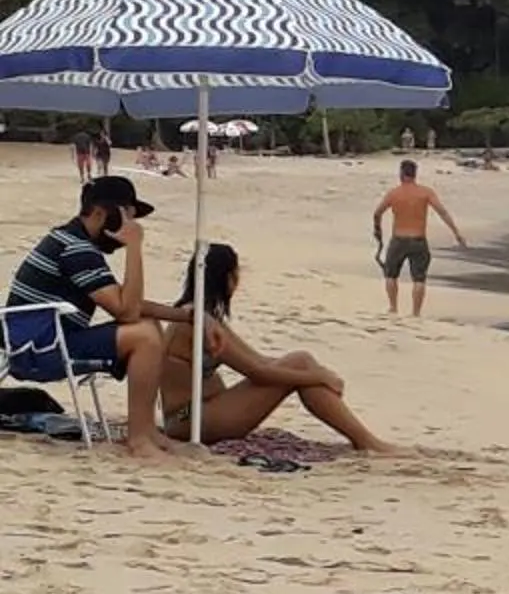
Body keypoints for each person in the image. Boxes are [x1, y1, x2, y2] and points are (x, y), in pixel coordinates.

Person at [160, 244, 394, 454]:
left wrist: (309, 370)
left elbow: (258, 360)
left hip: (198, 414)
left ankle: (364, 439)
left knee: (300, 360)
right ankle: (366, 441)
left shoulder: (204, 317)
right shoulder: (194, 323)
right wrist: (316, 376)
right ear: (228, 277)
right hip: (189, 419)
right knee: (301, 364)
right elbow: (257, 372)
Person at [11, 175, 180, 460]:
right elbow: (126, 310)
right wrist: (135, 246)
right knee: (144, 336)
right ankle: (139, 439)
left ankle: (147, 431)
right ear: (101, 213)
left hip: (40, 343)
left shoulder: (70, 240)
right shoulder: (76, 249)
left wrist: (181, 315)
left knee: (148, 326)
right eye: (125, 217)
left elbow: (127, 305)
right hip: (39, 351)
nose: (129, 227)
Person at [372, 158, 467, 316]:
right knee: (419, 278)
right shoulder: (425, 192)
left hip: (398, 239)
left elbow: (378, 213)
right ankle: (416, 313)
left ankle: (393, 308)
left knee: (391, 274)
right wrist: (456, 233)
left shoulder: (394, 194)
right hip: (418, 239)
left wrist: (378, 230)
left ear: (401, 174)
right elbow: (442, 212)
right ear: (415, 174)